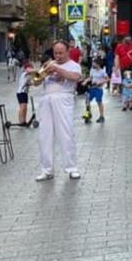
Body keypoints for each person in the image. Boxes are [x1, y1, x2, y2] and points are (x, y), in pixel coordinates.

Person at [35, 41, 82, 181]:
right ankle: (46, 170)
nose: (58, 55)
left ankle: (72, 168)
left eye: (61, 52)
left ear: (68, 51)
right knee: (44, 135)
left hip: (63, 99)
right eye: (56, 53)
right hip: (46, 100)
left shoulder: (74, 65)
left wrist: (58, 69)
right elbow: (36, 82)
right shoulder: (48, 65)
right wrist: (39, 72)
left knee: (66, 134)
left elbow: (76, 77)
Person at [114, 36, 132, 109]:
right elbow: (117, 58)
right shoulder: (119, 47)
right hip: (124, 68)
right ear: (124, 39)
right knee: (126, 85)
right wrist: (116, 69)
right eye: (127, 38)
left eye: (129, 38)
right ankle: (126, 102)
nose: (129, 39)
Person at [84, 58, 108, 123]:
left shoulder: (102, 71)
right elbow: (90, 77)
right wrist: (86, 81)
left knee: (99, 102)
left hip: (99, 89)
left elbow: (107, 79)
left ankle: (101, 116)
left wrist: (101, 82)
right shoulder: (92, 70)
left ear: (98, 64)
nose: (92, 64)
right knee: (87, 101)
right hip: (92, 88)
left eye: (94, 63)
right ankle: (87, 116)